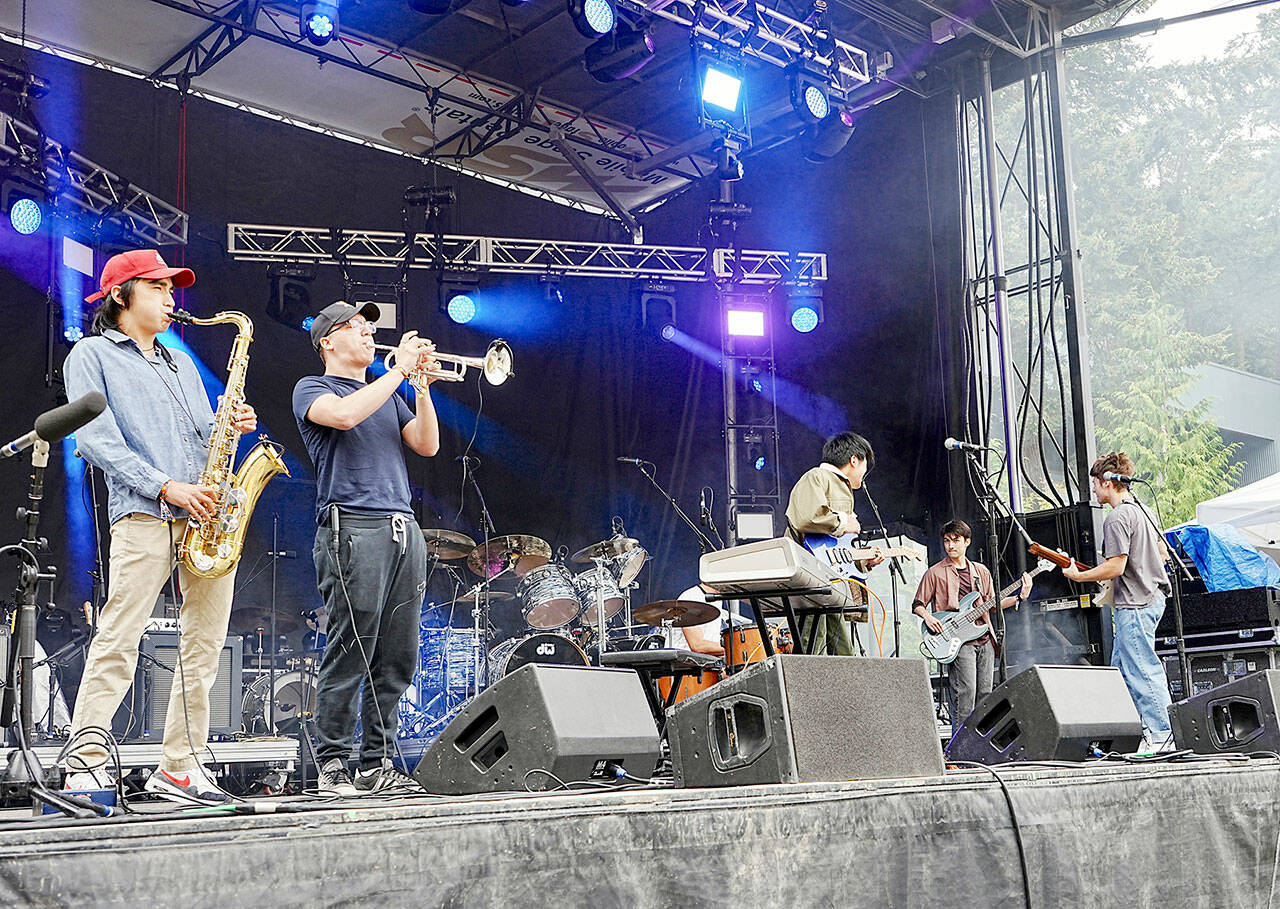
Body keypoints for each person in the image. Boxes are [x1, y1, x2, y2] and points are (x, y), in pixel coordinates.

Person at [62, 249, 257, 805]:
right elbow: (95, 440)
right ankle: (86, 764)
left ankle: (181, 765)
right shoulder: (92, 354)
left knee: (205, 645)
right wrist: (165, 486)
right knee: (119, 637)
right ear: (120, 297)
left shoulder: (181, 363)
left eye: (172, 290)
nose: (172, 299)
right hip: (147, 511)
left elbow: (204, 440)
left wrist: (233, 424)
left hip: (205, 517)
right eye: (158, 288)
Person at [292, 301, 440, 796]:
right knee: (351, 646)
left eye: (368, 328)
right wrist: (398, 370)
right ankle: (333, 761)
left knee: (398, 655)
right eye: (355, 327)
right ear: (327, 341)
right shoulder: (314, 388)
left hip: (403, 526)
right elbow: (345, 416)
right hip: (352, 525)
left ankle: (377, 762)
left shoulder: (386, 390)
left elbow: (426, 444)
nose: (366, 334)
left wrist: (419, 388)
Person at [1063, 452, 1173, 754]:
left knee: (1141, 671)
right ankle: (1132, 734)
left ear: (1106, 482)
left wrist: (1078, 576)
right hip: (1149, 598)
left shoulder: (1117, 517)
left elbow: (1116, 567)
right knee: (1122, 673)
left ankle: (1162, 735)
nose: (1094, 491)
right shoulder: (1143, 510)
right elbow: (1161, 554)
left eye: (1095, 485)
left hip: (1136, 604)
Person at [911, 520, 1032, 726]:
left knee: (985, 694)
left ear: (966, 541)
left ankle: (980, 746)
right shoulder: (935, 572)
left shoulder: (981, 571)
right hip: (958, 641)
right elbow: (918, 604)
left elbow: (993, 604)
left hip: (984, 639)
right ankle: (959, 750)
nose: (950, 545)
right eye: (947, 541)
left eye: (955, 540)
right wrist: (929, 618)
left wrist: (1020, 597)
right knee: (965, 694)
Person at [784, 432, 883, 655]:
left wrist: (862, 562)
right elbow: (806, 518)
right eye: (864, 465)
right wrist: (844, 522)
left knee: (843, 652)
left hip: (830, 583)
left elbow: (833, 548)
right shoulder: (817, 476)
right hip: (810, 581)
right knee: (812, 646)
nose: (864, 473)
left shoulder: (844, 488)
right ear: (854, 460)